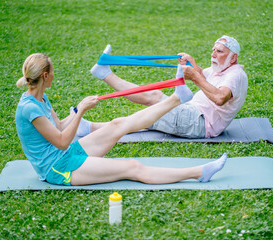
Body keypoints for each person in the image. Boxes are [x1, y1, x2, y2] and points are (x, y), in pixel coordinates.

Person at [15, 53, 227, 186]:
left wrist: (77, 109)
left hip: (65, 154)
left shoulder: (41, 98)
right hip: (57, 167)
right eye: (52, 72)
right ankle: (199, 173)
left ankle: (176, 98)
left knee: (119, 124)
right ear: (44, 76)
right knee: (132, 168)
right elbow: (61, 140)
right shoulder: (29, 109)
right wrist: (81, 112)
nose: (54, 75)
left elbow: (60, 126)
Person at [90, 35, 248, 139]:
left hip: (198, 123)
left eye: (219, 51)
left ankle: (104, 73)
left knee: (154, 98)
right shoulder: (220, 69)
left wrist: (193, 76)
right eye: (213, 50)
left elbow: (220, 97)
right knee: (141, 119)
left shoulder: (235, 76)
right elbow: (203, 76)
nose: (213, 54)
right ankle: (90, 128)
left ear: (233, 57)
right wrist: (192, 63)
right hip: (191, 115)